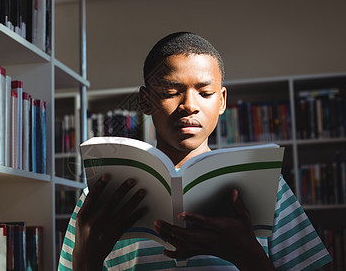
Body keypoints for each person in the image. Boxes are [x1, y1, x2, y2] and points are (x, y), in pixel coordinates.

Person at [58, 32, 332, 270]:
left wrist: (247, 255)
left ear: (222, 101)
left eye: (205, 92)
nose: (189, 105)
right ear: (145, 100)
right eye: (170, 91)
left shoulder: (268, 186)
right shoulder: (100, 197)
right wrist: (85, 263)